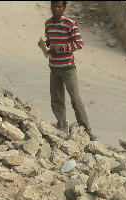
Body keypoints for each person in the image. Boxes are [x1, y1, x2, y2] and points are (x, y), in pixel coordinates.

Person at [43, 1, 95, 140]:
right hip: (54, 67)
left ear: (64, 8)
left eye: (59, 6)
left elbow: (79, 43)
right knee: (57, 99)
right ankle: (61, 129)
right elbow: (49, 40)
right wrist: (46, 47)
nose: (56, 9)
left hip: (68, 67)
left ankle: (86, 130)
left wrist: (61, 47)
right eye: (54, 6)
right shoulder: (48, 24)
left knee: (75, 99)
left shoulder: (70, 23)